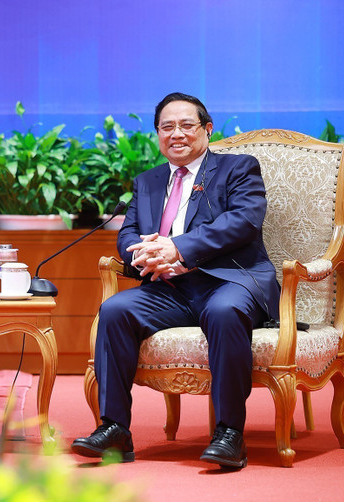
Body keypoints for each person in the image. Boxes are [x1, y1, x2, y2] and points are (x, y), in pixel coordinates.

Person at [71, 92, 280, 469]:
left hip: (229, 281)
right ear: (157, 134)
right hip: (169, 288)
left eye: (187, 125)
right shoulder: (147, 182)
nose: (177, 134)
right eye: (168, 127)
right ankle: (115, 429)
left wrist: (177, 249)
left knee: (223, 310)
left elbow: (244, 221)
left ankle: (229, 434)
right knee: (115, 309)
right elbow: (128, 233)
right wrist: (144, 251)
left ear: (207, 129)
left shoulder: (238, 168)